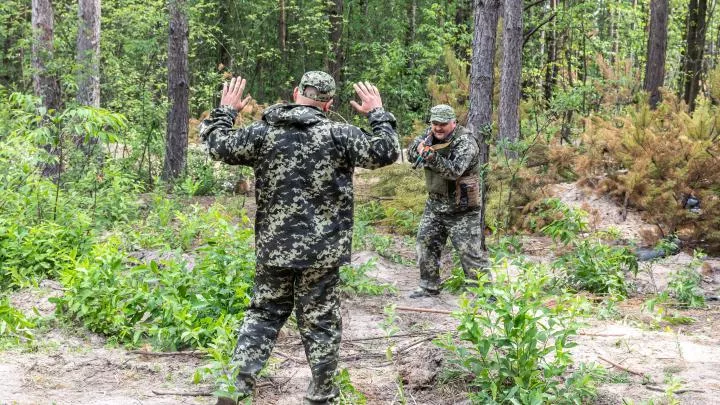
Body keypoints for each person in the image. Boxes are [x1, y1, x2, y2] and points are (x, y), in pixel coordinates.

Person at [199, 71, 399, 404]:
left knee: (263, 315)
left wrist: (226, 111)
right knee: (320, 321)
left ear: (295, 92)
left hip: (274, 248)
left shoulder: (263, 134)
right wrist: (377, 113)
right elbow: (387, 151)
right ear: (329, 103)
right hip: (322, 253)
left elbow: (216, 145)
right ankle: (321, 395)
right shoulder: (340, 134)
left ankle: (235, 388)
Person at [407, 104, 489, 298]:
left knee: (469, 253)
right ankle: (429, 286)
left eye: (443, 124)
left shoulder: (466, 142)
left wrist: (430, 156)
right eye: (435, 123)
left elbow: (454, 171)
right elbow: (411, 154)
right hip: (435, 204)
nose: (438, 128)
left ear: (453, 122)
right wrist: (419, 150)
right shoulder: (429, 135)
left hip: (462, 208)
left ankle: (485, 294)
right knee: (425, 244)